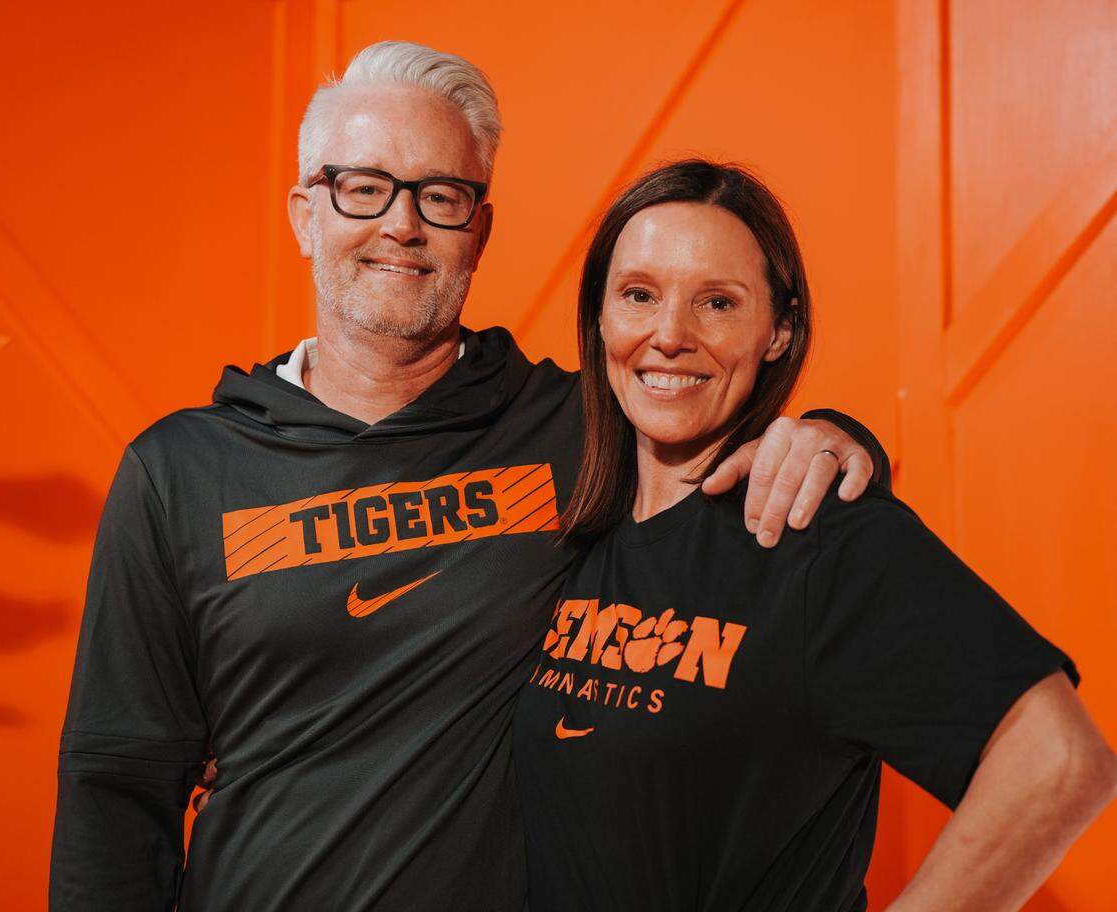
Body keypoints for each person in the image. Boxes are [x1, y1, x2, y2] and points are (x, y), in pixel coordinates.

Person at [49, 44, 888, 911]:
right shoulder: (179, 472)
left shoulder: (580, 427)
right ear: (306, 215)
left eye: (440, 196)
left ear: (478, 229)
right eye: (363, 188)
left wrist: (837, 436)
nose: (401, 226)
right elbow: (117, 786)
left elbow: (731, 423)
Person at [512, 159, 1117, 911]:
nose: (669, 335)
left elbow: (1059, 763)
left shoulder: (813, 531)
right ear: (600, 317)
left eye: (718, 303)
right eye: (639, 295)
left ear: (778, 330)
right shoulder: (562, 520)